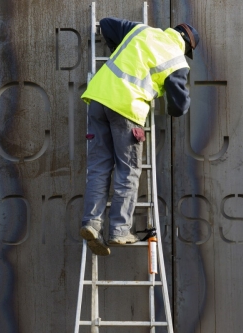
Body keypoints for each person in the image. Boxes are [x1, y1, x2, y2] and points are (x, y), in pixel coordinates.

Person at [80, 18, 199, 256]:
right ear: (186, 45)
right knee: (128, 170)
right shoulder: (178, 61)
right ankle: (119, 230)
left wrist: (118, 51)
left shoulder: (141, 30)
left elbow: (105, 24)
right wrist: (162, 89)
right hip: (126, 108)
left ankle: (92, 223)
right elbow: (179, 107)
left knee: (99, 167)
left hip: (98, 97)